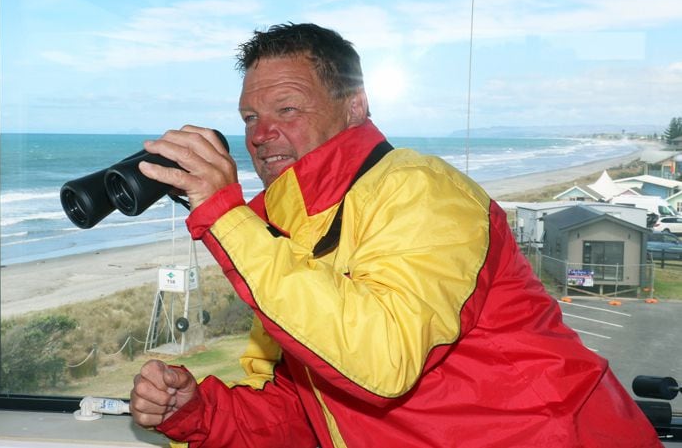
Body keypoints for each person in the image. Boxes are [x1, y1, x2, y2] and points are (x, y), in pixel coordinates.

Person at [130, 23, 661, 447]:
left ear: (355, 105)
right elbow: (306, 408)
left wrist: (227, 218)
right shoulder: (285, 230)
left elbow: (382, 361)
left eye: (286, 109)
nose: (261, 134)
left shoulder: (422, 191)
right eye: (250, 117)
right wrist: (200, 413)